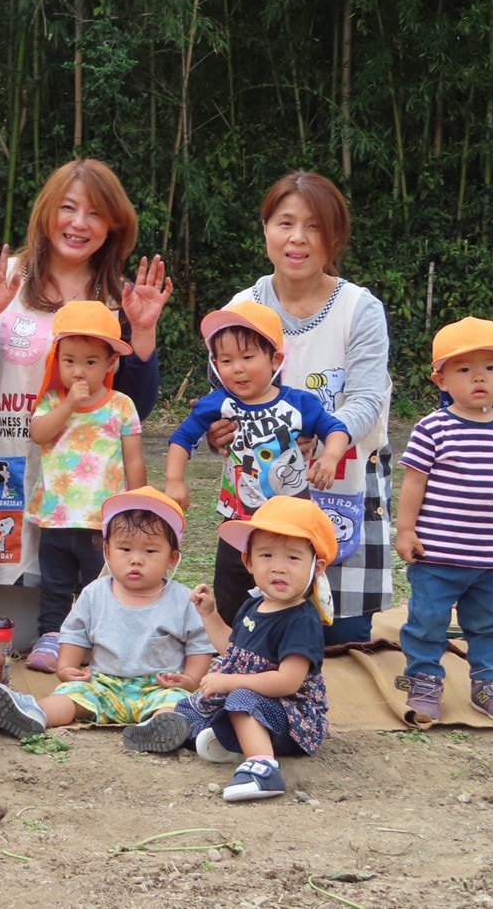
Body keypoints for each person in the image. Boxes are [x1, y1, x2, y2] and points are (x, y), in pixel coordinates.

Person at [0, 159, 170, 605]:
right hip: (6, 458)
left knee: (68, 601)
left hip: (83, 484)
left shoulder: (119, 298)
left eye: (94, 214)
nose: (78, 223)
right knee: (1, 601)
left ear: (113, 225)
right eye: (68, 208)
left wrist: (142, 332)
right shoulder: (3, 279)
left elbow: (136, 406)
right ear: (46, 212)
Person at [205, 171, 393, 643]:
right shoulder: (242, 308)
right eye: (285, 223)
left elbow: (368, 397)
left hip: (342, 479)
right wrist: (217, 431)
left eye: (314, 227)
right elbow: (223, 401)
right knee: (252, 631)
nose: (298, 239)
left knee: (341, 637)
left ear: (334, 237)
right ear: (266, 228)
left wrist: (326, 435)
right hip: (259, 495)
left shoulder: (359, 309)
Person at [136, 496, 336, 803]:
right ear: (249, 561)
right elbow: (232, 649)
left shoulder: (301, 620)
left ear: (316, 567)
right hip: (248, 707)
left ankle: (263, 768)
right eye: (267, 555)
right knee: (194, 703)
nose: (278, 568)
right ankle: (193, 733)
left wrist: (230, 682)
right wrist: (209, 615)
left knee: (241, 699)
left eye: (293, 558)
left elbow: (287, 682)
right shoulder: (253, 605)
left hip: (291, 720)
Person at [0, 487, 214, 743]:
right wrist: (67, 667)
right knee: (72, 695)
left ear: (172, 558)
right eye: (125, 549)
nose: (136, 560)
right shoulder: (95, 593)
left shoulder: (183, 599)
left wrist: (190, 680)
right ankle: (35, 714)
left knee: (177, 704)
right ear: (107, 552)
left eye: (150, 551)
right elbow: (75, 633)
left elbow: (199, 644)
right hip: (104, 684)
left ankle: (160, 728)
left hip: (160, 685)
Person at [395, 316, 493, 725]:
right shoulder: (432, 429)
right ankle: (424, 680)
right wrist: (405, 530)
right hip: (436, 555)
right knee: (427, 622)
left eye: (490, 368)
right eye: (464, 369)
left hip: (491, 557)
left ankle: (489, 682)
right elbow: (413, 483)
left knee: (489, 625)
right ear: (441, 380)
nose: (479, 378)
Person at [23, 300, 145, 671]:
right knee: (55, 583)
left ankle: (101, 641)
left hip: (101, 520)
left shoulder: (121, 405)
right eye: (69, 360)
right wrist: (67, 406)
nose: (78, 371)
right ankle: (51, 637)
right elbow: (39, 434)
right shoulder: (50, 401)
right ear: (55, 361)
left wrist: (138, 506)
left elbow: (134, 459)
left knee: (102, 583)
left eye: (90, 362)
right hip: (56, 516)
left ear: (111, 364)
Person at [166, 301, 350, 517]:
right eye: (226, 361)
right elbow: (182, 439)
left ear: (275, 360)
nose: (237, 368)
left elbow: (336, 429)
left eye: (247, 357)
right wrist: (174, 480)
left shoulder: (300, 404)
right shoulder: (216, 403)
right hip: (238, 514)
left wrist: (330, 456)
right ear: (215, 365)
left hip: (292, 514)